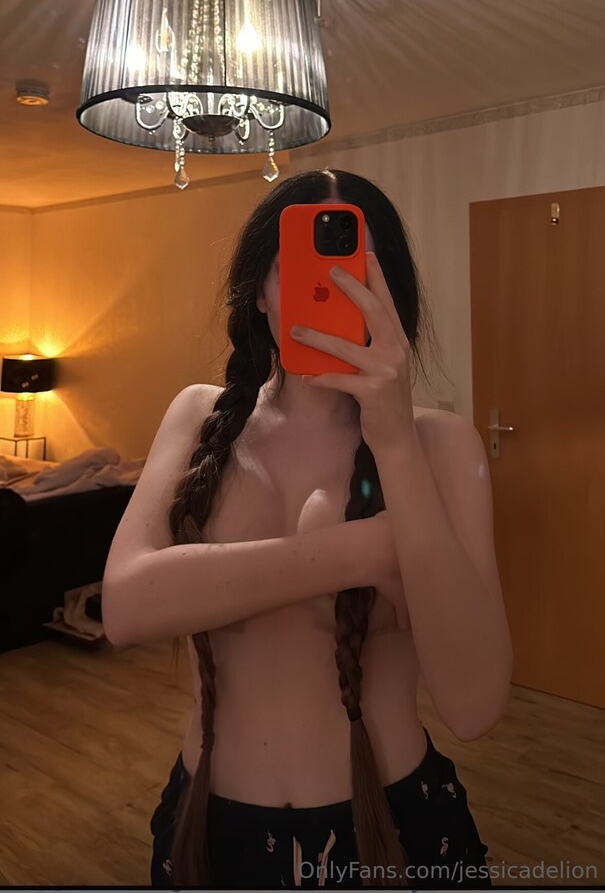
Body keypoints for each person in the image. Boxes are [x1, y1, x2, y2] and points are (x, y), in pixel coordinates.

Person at [102, 169, 512, 889]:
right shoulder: (198, 417)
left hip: (392, 827)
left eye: (356, 271)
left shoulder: (441, 445)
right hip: (206, 827)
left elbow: (474, 704)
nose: (331, 291)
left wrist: (393, 440)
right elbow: (126, 607)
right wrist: (360, 551)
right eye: (299, 269)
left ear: (391, 295)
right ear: (259, 292)